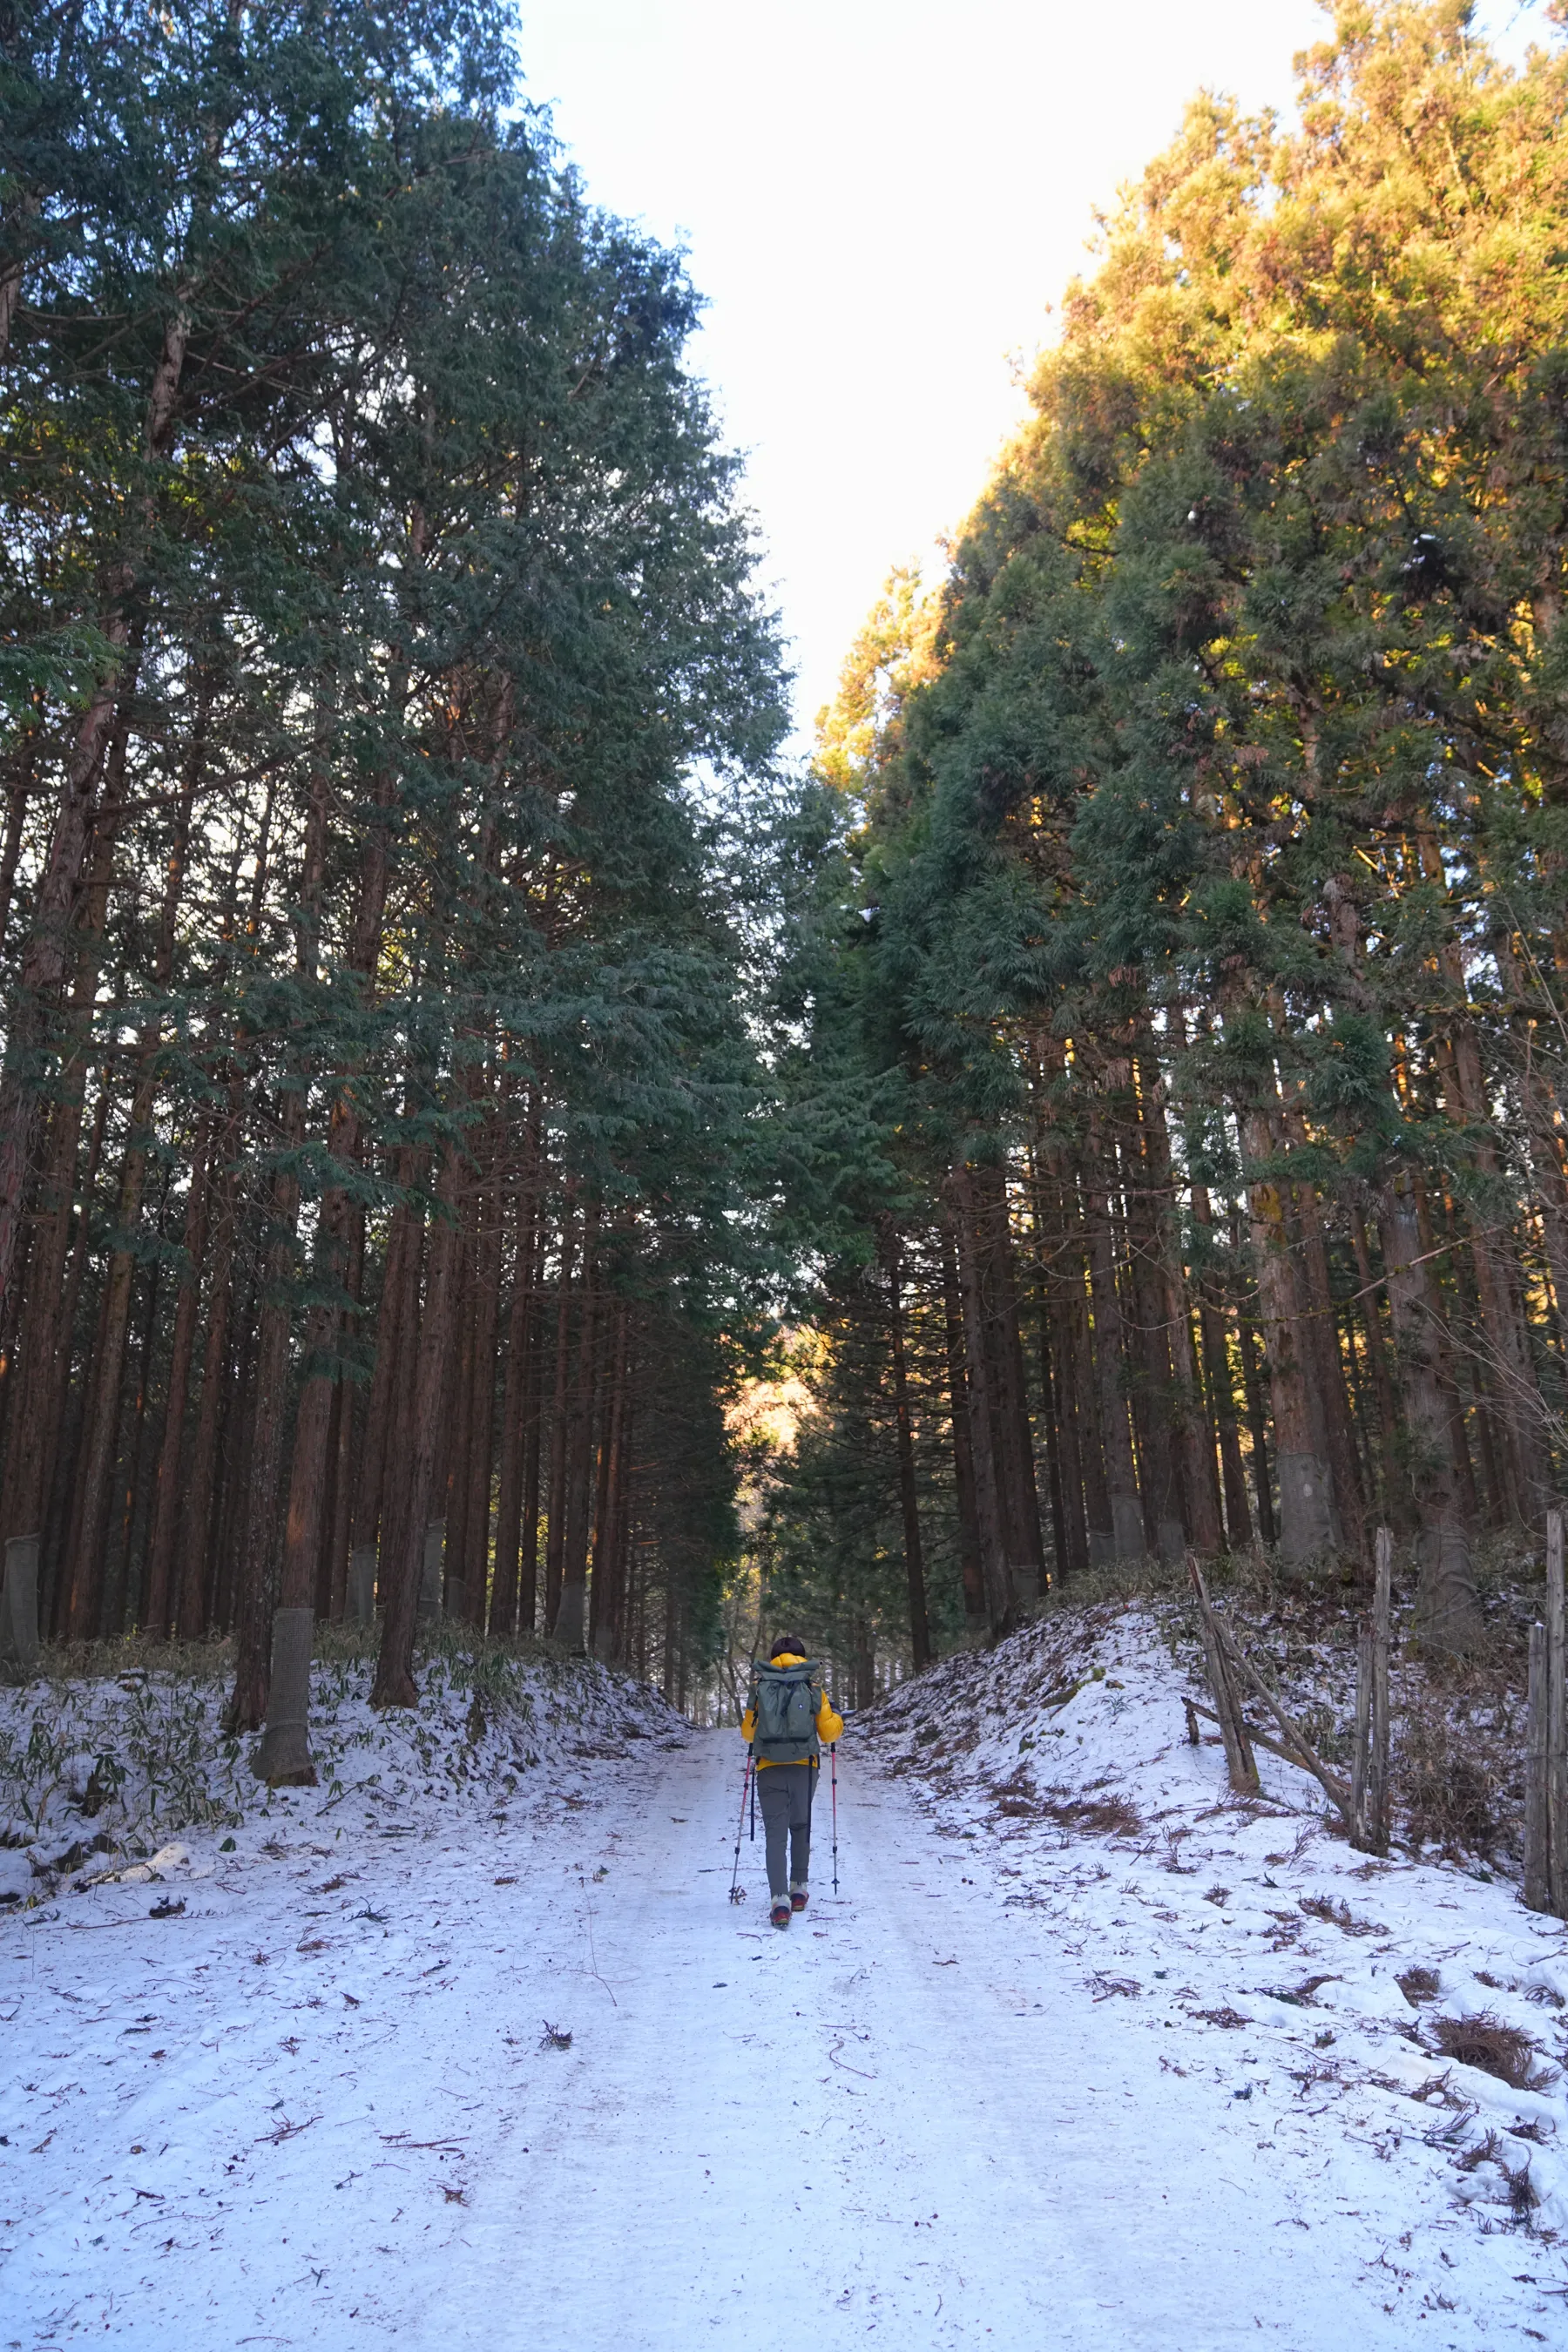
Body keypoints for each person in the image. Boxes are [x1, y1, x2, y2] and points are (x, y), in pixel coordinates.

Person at [740, 1634, 843, 1929]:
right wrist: (835, 1714)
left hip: (769, 1769)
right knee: (801, 1825)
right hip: (804, 1768)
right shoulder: (812, 1688)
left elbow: (748, 1734)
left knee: (775, 1834)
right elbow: (830, 1734)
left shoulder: (759, 1688)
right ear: (802, 1657)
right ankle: (799, 1889)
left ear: (773, 1659)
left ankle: (779, 1901)